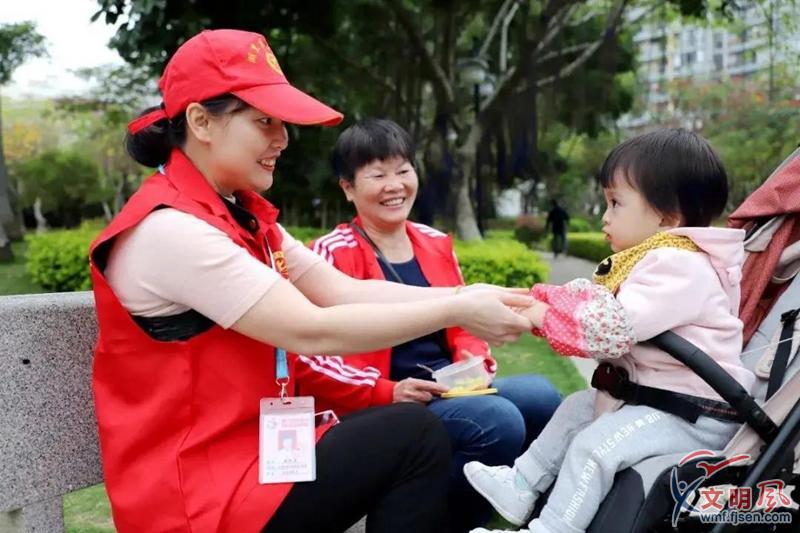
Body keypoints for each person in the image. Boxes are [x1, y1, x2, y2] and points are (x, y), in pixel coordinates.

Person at [88, 29, 536, 533]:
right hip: (199, 497)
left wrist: (466, 295)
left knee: (444, 424)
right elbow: (311, 328)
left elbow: (343, 291)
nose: (282, 139)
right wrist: (456, 308)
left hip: (259, 459)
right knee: (413, 435)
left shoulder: (243, 216)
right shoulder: (171, 229)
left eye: (281, 123)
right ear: (200, 121)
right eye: (264, 121)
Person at [464, 129, 756, 533]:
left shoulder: (680, 266)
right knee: (575, 409)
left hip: (694, 414)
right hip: (655, 400)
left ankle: (552, 528)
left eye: (616, 203)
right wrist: (544, 305)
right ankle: (521, 484)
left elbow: (612, 327)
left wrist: (543, 315)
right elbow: (598, 306)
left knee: (594, 447)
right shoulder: (653, 260)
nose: (605, 216)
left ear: (666, 218)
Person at [307, 118, 562, 532]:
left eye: (403, 170)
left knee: (542, 396)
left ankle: (532, 518)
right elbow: (311, 351)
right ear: (348, 188)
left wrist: (474, 365)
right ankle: (448, 523)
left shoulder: (434, 242)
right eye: (378, 175)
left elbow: (465, 321)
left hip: (446, 389)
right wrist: (388, 390)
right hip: (379, 403)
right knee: (498, 420)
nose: (395, 185)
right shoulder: (329, 254)